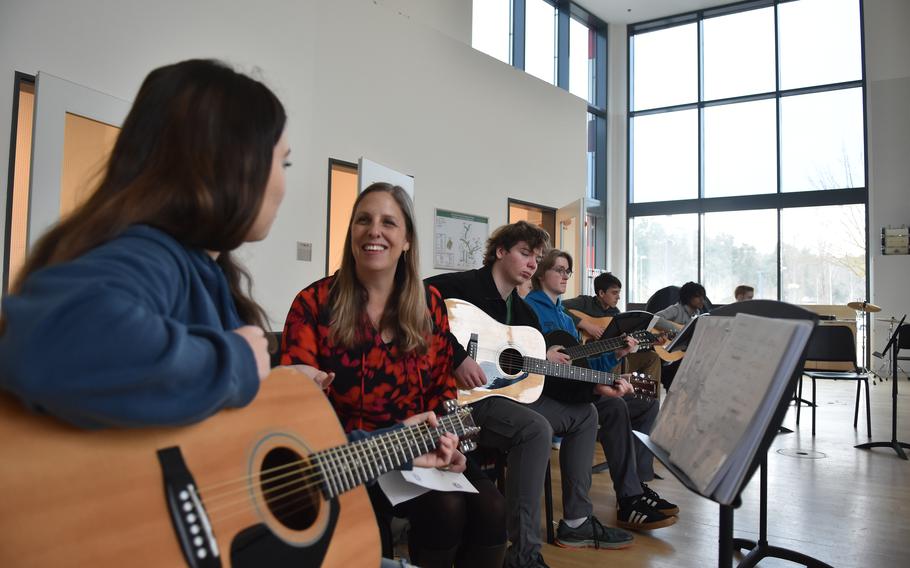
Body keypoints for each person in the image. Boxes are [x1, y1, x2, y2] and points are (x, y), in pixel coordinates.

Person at [0, 59, 454, 568]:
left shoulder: (209, 278)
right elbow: (50, 341)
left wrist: (397, 445)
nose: (283, 185)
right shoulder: (154, 255)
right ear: (228, 164)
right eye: (280, 163)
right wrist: (238, 360)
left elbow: (246, 451)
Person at [281, 183, 506, 568]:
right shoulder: (314, 304)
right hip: (354, 457)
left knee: (492, 509)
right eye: (363, 220)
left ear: (406, 241)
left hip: (422, 446)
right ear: (351, 232)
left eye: (389, 222)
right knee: (446, 510)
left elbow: (440, 393)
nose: (374, 231)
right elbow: (294, 413)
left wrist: (450, 442)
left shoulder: (428, 304)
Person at [426, 221, 636, 568]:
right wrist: (457, 355)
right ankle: (524, 555)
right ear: (500, 251)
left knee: (587, 415)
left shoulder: (523, 313)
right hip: (463, 400)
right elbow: (412, 301)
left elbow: (539, 374)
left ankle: (576, 522)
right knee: (535, 429)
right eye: (525, 254)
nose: (531, 264)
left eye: (536, 258)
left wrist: (595, 384)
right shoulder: (463, 286)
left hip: (506, 399)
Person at [525, 251, 678, 531]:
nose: (564, 276)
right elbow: (526, 356)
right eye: (558, 269)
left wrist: (617, 353)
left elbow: (586, 361)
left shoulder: (565, 318)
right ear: (541, 273)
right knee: (606, 408)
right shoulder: (529, 309)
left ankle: (634, 490)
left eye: (567, 271)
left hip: (572, 388)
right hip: (547, 395)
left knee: (643, 404)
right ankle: (623, 499)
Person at [562, 271, 662, 385]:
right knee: (618, 361)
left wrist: (651, 342)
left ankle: (649, 399)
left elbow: (624, 344)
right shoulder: (585, 302)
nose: (618, 297)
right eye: (614, 293)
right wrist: (587, 326)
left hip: (612, 356)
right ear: (601, 293)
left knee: (652, 357)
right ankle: (617, 396)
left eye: (619, 293)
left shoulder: (616, 314)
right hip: (586, 357)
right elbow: (559, 307)